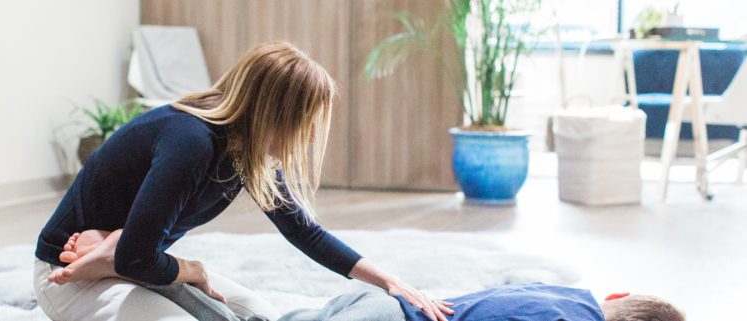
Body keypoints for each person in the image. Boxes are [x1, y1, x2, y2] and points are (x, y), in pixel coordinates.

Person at [33, 41, 454, 321]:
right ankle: (111, 249)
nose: (308, 136)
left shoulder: (245, 149)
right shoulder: (191, 141)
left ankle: (112, 244)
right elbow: (135, 260)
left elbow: (303, 230)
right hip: (66, 276)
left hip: (129, 262)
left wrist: (390, 282)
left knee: (260, 313)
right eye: (304, 122)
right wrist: (192, 269)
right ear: (272, 115)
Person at [49, 229, 686, 321]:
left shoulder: (571, 296)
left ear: (618, 296)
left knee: (275, 316)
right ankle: (144, 265)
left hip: (387, 309)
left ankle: (147, 263)